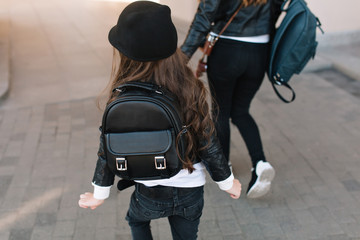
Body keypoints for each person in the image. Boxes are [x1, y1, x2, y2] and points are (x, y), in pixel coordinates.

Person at [78, 1, 241, 240]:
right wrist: (227, 183)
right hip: (190, 188)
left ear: (125, 54)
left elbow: (107, 148)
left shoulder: (122, 95)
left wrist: (99, 194)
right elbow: (207, 140)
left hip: (148, 191)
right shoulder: (188, 86)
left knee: (136, 220)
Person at [181, 0, 284, 198]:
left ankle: (224, 166)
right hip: (259, 52)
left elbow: (204, 17)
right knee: (241, 111)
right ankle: (260, 163)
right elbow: (276, 9)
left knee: (220, 112)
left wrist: (181, 58)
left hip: (227, 50)